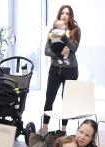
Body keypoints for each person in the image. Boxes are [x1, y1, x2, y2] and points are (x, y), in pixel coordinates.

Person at [40, 4, 81, 134]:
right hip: (55, 69)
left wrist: (63, 36)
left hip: (70, 70)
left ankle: (63, 129)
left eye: (67, 13)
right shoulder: (52, 31)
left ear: (70, 16)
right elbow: (46, 51)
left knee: (66, 101)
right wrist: (58, 54)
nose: (64, 15)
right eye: (62, 13)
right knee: (49, 98)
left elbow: (74, 49)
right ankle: (45, 126)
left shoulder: (75, 30)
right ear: (59, 15)